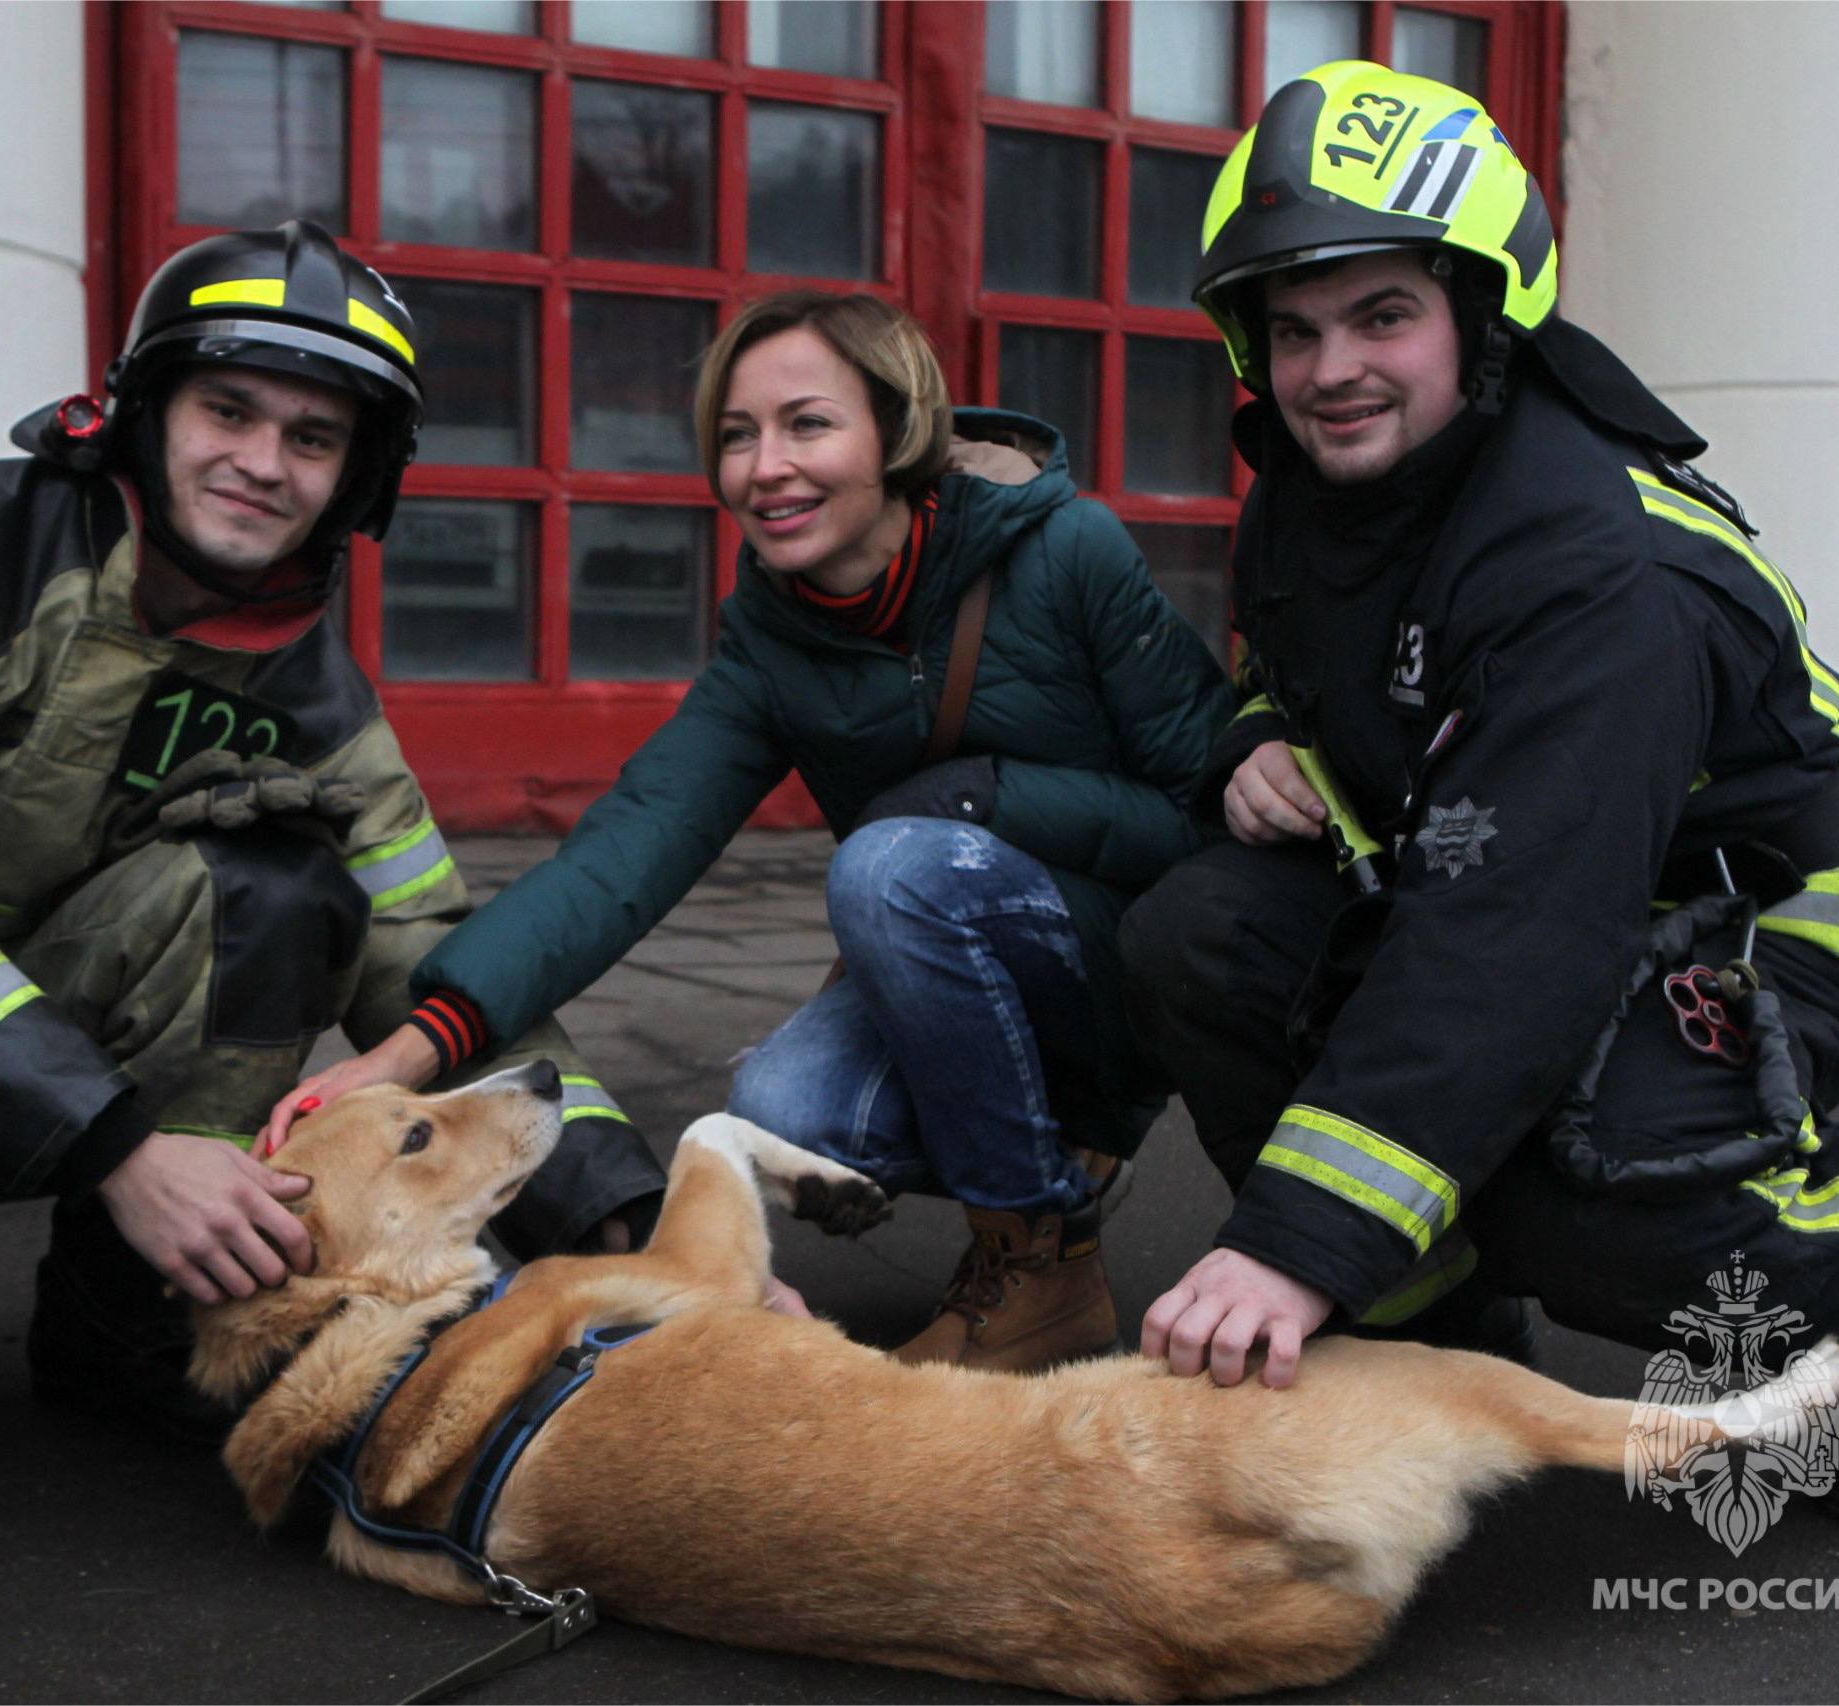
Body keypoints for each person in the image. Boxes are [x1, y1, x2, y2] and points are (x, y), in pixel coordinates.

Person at [0, 221, 663, 1448]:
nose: (263, 462)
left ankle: (124, 1326)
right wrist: (116, 1139)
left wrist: (626, 1220)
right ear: (146, 410)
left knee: (285, 890)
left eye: (312, 437)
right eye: (229, 411)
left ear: (357, 477)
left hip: (52, 1066)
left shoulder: (314, 697)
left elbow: (430, 959)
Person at [1118, 62, 1839, 1523]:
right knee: (1197, 935)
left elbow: (1516, 940)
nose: (1333, 369)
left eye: (1383, 315)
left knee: (1571, 1171)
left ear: (1481, 315)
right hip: (1511, 874)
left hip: (1751, 911)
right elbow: (1312, 680)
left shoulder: (1598, 569)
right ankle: (1428, 1308)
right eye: (1297, 327)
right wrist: (1248, 739)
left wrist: (1295, 1240)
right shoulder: (1324, 492)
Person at [265, 291, 1233, 1373]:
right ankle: (1065, 1179)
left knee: (888, 865)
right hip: (953, 947)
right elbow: (628, 849)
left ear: (896, 430)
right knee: (789, 1116)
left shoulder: (1069, 552)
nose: (764, 465)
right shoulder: (775, 629)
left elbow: (1204, 813)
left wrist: (986, 794)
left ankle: (1035, 1246)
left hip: (1123, 967)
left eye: (807, 423)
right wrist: (404, 1054)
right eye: (736, 435)